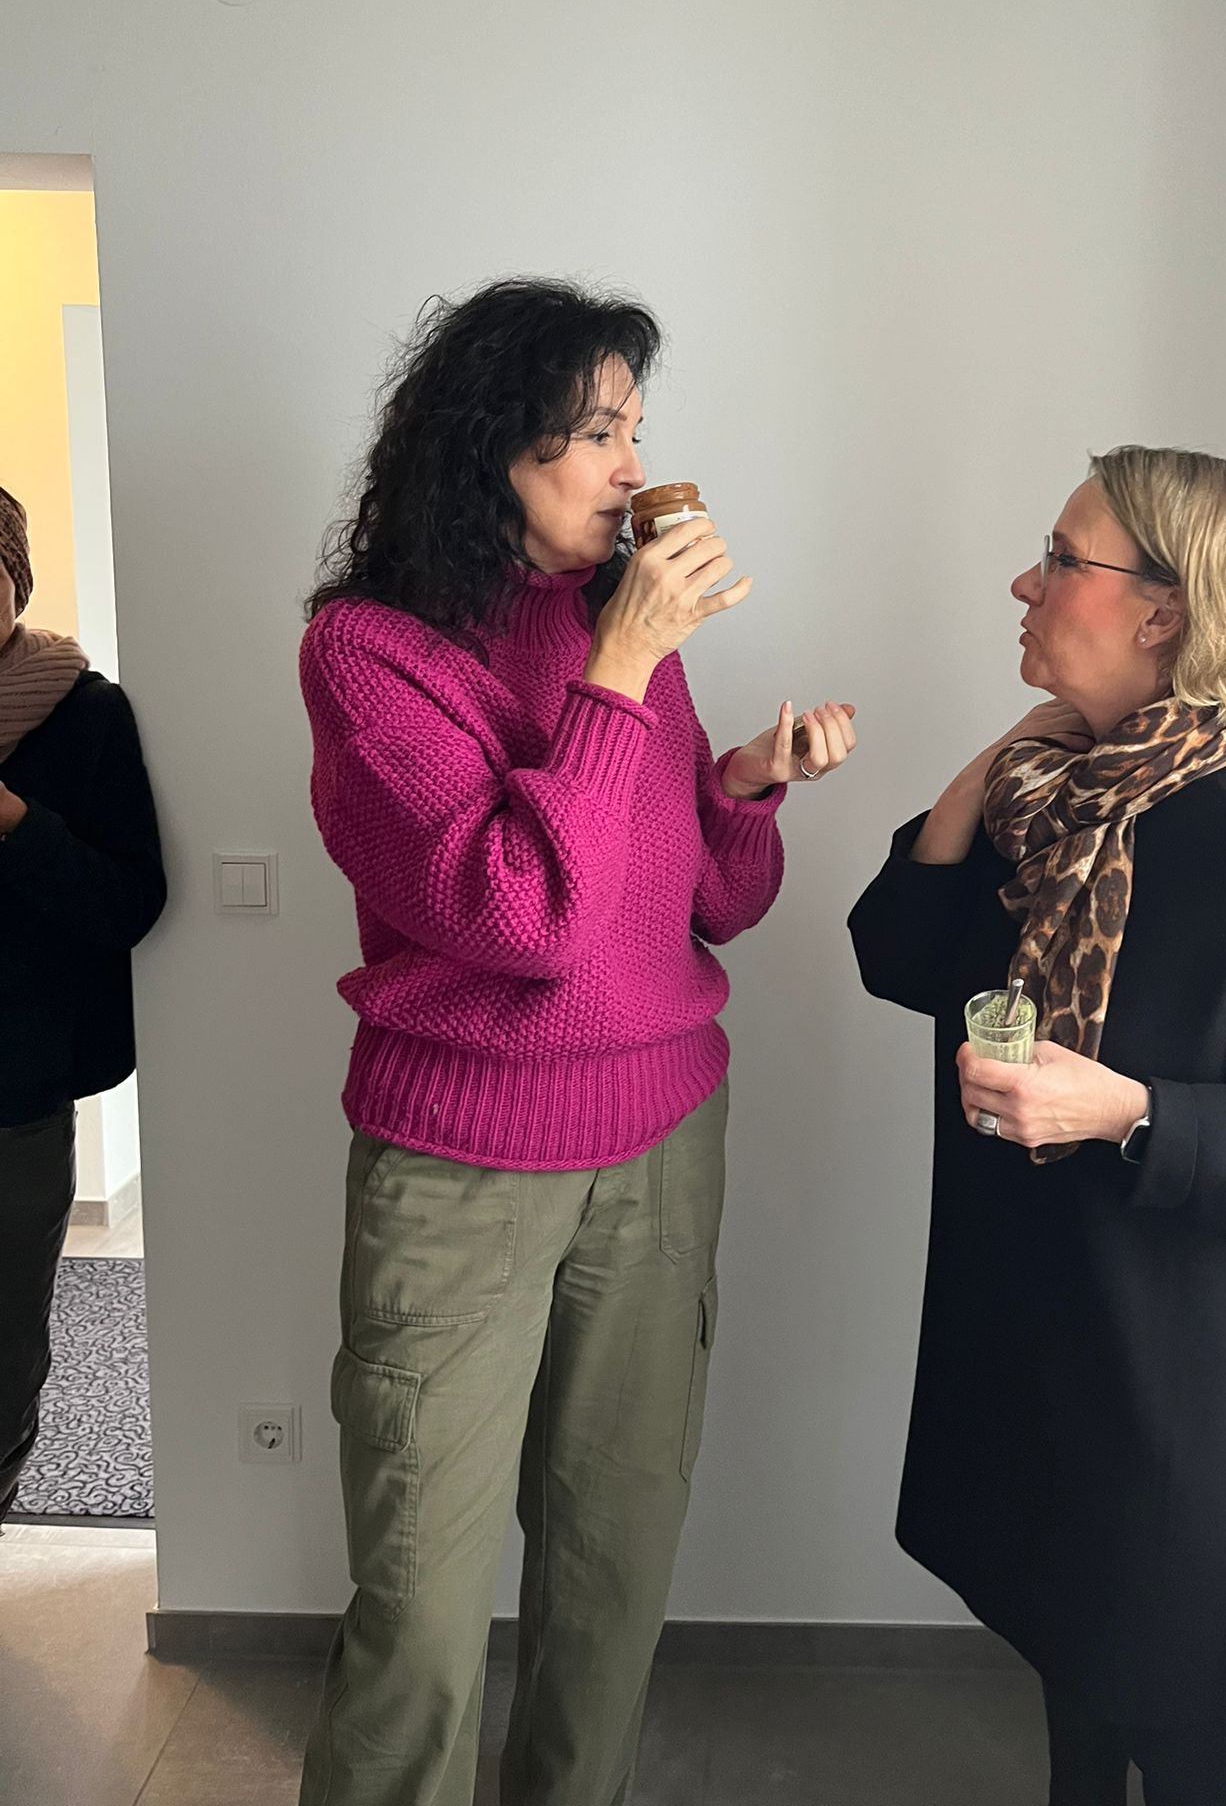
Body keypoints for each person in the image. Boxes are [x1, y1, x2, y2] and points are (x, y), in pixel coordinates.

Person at [296, 278, 857, 1806]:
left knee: (613, 1574)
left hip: (661, 1140)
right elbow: (524, 913)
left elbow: (711, 904)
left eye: (636, 430)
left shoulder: (626, 633)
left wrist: (739, 783)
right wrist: (621, 666)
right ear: (495, 445)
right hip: (460, 1167)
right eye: (599, 431)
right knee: (418, 1620)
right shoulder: (370, 653)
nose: (633, 467)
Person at [848, 447, 1226, 1806]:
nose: (1025, 581)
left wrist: (1132, 1112)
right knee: (1074, 1660)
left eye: (1062, 557)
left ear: (1163, 611)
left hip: (1167, 1388)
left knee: (1178, 1716)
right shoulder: (1061, 805)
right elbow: (900, 954)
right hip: (1045, 1340)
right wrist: (997, 764)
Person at [0, 484, 166, 1523]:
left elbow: (129, 902)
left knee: (7, 1346)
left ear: (14, 579)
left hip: (15, 1093)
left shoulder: (84, 713)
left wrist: (17, 823)